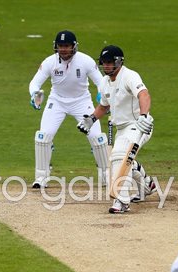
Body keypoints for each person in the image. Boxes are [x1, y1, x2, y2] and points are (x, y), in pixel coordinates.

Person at [77, 45, 155, 213]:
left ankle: (122, 201)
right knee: (123, 160)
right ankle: (147, 185)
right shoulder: (105, 82)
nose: (106, 66)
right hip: (122, 129)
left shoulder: (129, 76)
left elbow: (144, 95)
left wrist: (143, 116)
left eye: (109, 63)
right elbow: (104, 106)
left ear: (119, 62)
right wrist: (91, 119)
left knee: (120, 157)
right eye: (103, 63)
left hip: (139, 125)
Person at [29, 30, 109, 189]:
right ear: (56, 47)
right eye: (60, 46)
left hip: (82, 101)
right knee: (43, 137)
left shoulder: (85, 61)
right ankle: (41, 177)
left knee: (97, 138)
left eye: (66, 46)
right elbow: (35, 83)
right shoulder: (49, 62)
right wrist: (35, 95)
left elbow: (101, 82)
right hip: (57, 101)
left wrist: (102, 96)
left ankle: (106, 175)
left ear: (74, 46)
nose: (63, 49)